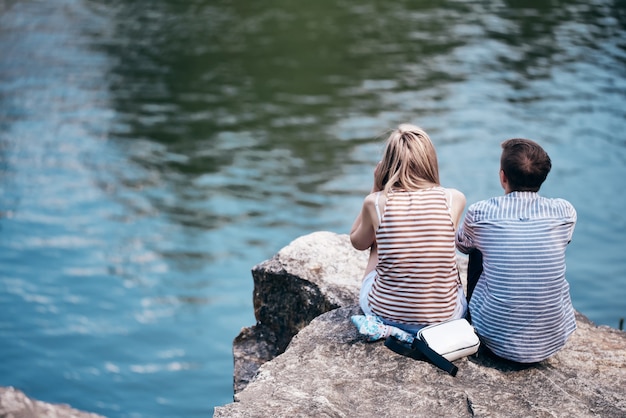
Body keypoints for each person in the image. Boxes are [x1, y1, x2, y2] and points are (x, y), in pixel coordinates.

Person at [456, 138, 577, 363]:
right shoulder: (565, 212)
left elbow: (462, 245)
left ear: (503, 177)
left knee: (477, 247)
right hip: (552, 340)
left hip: (493, 338)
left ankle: (474, 317)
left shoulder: (481, 213)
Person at [350, 123, 467, 335]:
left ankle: (388, 324)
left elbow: (357, 242)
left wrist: (375, 188)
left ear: (387, 164)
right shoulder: (454, 199)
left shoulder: (377, 203)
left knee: (377, 239)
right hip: (445, 318)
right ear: (430, 161)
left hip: (385, 315)